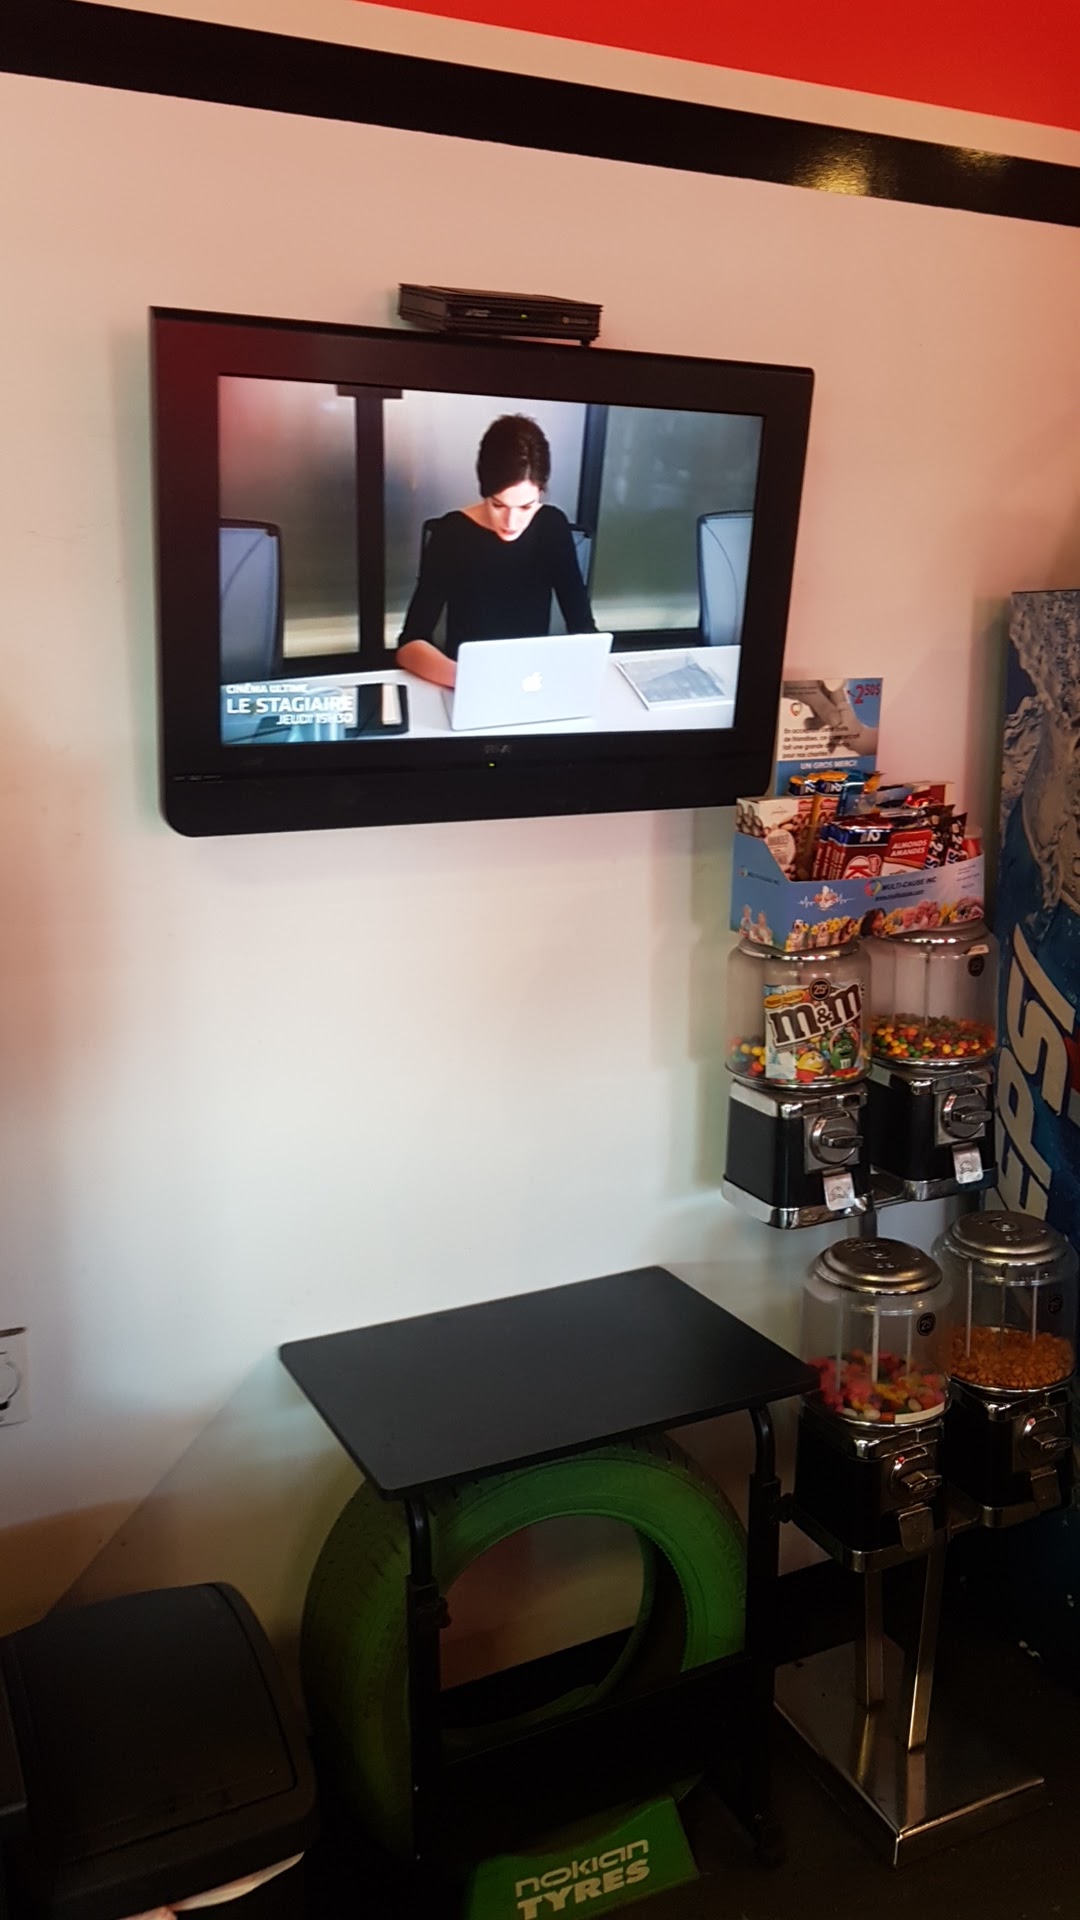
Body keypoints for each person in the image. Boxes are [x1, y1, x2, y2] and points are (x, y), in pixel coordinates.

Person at [396, 415, 596, 688]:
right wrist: (470, 680)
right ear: (485, 490)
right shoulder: (451, 533)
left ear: (541, 491)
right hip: (465, 682)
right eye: (498, 505)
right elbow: (410, 645)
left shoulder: (552, 527)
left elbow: (584, 629)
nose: (511, 523)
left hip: (532, 683)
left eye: (526, 507)